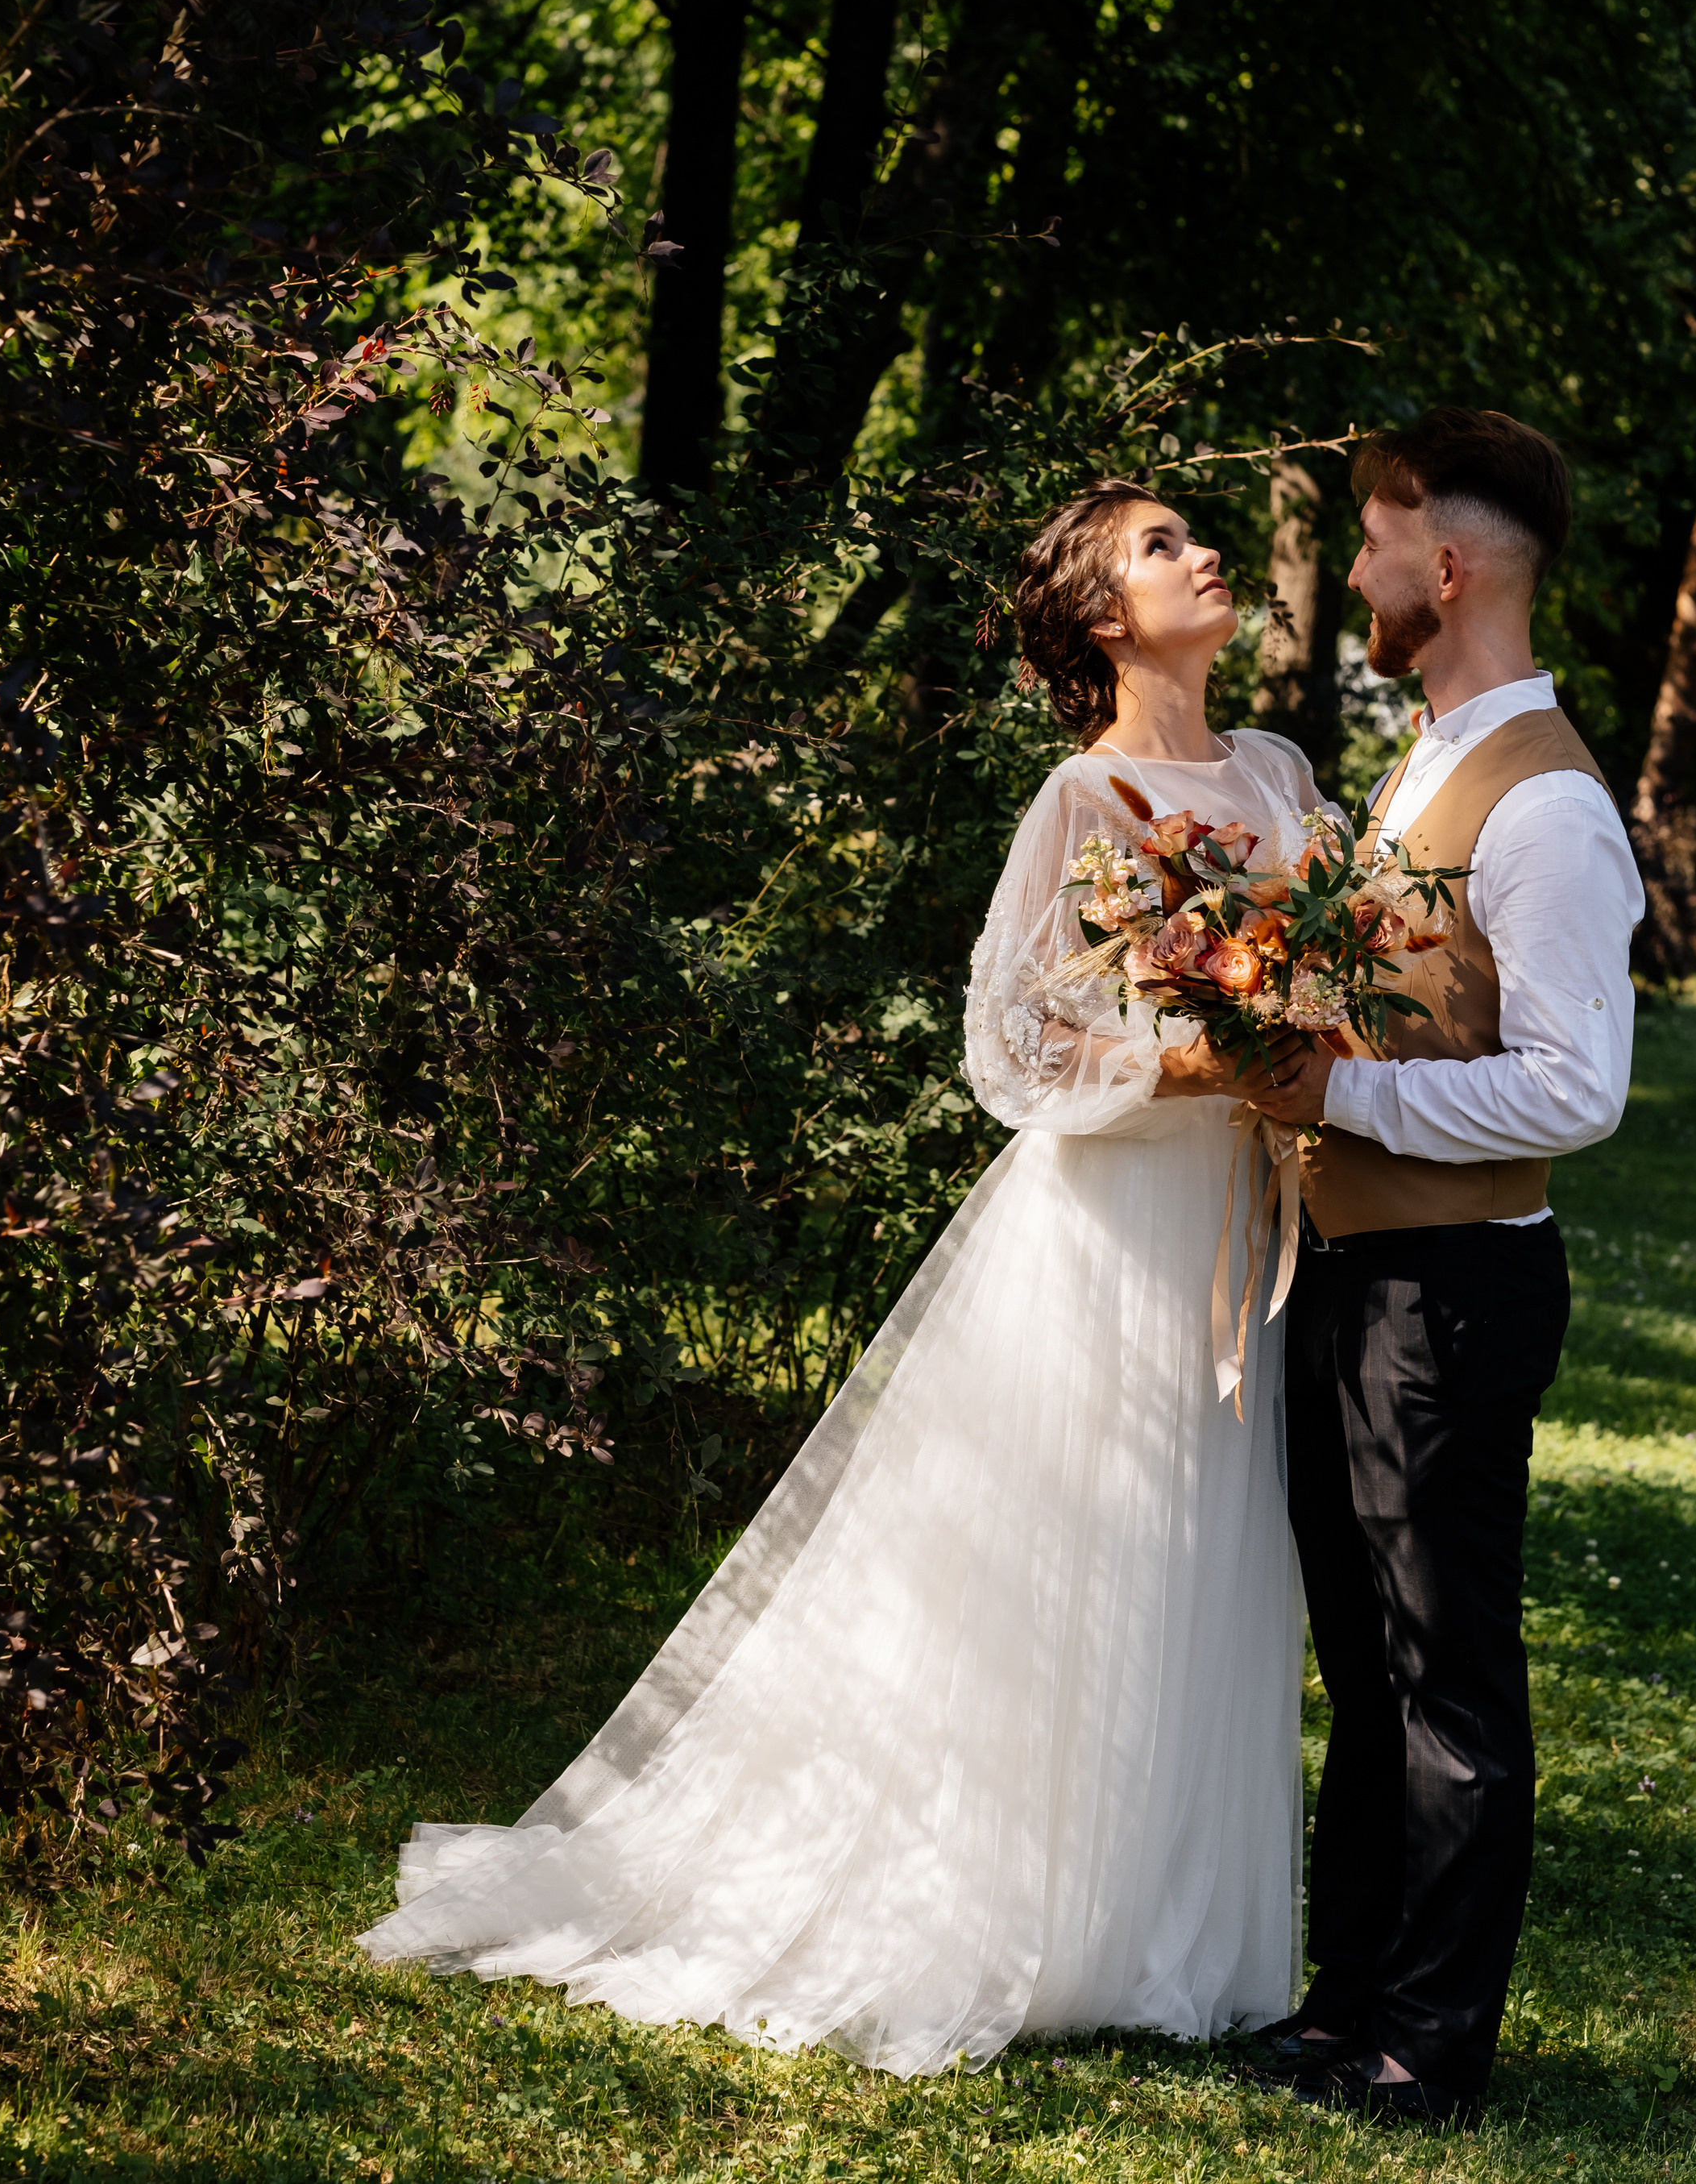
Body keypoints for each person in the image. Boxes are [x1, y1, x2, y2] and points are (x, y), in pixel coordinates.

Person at [356, 480, 1329, 2074]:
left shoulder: (1283, 775)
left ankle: (1166, 1932)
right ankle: (1012, 1900)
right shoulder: (1081, 800)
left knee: (1202, 1554)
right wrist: (1195, 1047)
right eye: (1164, 546)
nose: (1204, 552)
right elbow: (1013, 1045)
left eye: (1193, 537)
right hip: (1111, 1222)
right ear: (1103, 616)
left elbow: (1336, 963)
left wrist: (1306, 1018)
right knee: (1082, 1557)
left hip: (1239, 1214)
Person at [1245, 408, 1643, 2132]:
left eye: (1379, 541)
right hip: (1353, 1281)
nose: (1357, 571)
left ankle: (1430, 2042)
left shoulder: (1547, 804)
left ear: (1450, 565)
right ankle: (1350, 2003)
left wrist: (1342, 1088)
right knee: (1366, 1663)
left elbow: (1581, 1084)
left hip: (1455, 1296)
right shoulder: (1415, 762)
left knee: (1446, 1675)